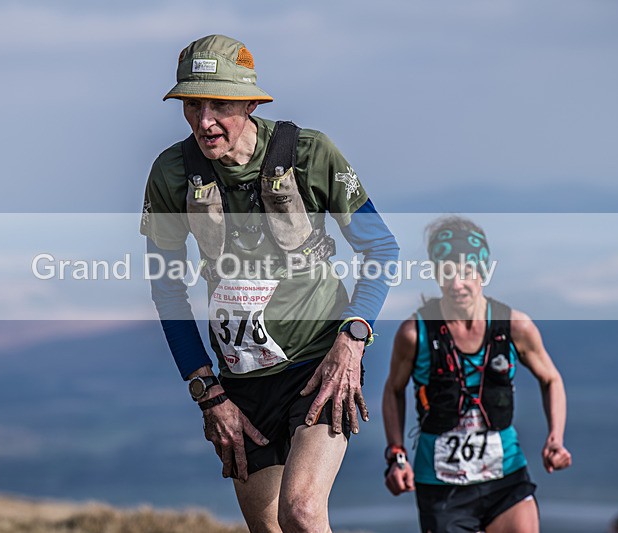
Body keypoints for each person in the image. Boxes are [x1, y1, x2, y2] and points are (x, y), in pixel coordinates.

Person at [141, 35, 399, 532]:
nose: (204, 120)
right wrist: (208, 391)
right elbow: (167, 288)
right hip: (240, 382)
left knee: (301, 511)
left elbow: (381, 248)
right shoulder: (172, 174)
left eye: (219, 105)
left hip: (320, 366)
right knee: (270, 528)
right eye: (192, 105)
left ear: (251, 103)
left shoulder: (309, 152)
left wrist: (353, 339)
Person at [382, 215, 572, 533]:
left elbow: (551, 378)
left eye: (467, 272)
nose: (457, 284)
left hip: (506, 478)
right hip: (442, 487)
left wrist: (556, 437)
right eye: (447, 273)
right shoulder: (415, 333)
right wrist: (396, 453)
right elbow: (393, 389)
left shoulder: (514, 326)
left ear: (483, 271)